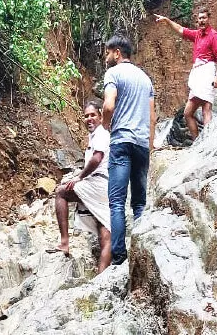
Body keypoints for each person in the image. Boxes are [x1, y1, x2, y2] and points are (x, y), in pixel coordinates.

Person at [102, 34, 156, 266]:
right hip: (142, 144)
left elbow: (108, 105)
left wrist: (106, 125)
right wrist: (149, 146)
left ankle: (119, 257)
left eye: (108, 53)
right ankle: (142, 253)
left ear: (117, 53)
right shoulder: (146, 79)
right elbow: (152, 118)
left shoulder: (113, 73)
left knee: (117, 202)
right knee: (139, 204)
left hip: (121, 141)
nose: (106, 57)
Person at [47, 100, 112, 273]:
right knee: (105, 231)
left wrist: (79, 177)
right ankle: (102, 277)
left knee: (61, 192)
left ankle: (64, 242)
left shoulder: (101, 134)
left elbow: (97, 159)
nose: (89, 119)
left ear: (100, 116)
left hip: (98, 184)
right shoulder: (97, 135)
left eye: (92, 115)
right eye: (86, 116)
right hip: (106, 187)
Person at [154, 8, 217, 140]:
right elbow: (181, 30)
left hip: (208, 71)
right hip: (197, 73)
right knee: (188, 113)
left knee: (206, 108)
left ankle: (207, 142)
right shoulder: (197, 34)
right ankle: (197, 142)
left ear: (208, 19)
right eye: (200, 18)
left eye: (204, 18)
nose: (202, 20)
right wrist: (167, 21)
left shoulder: (213, 35)